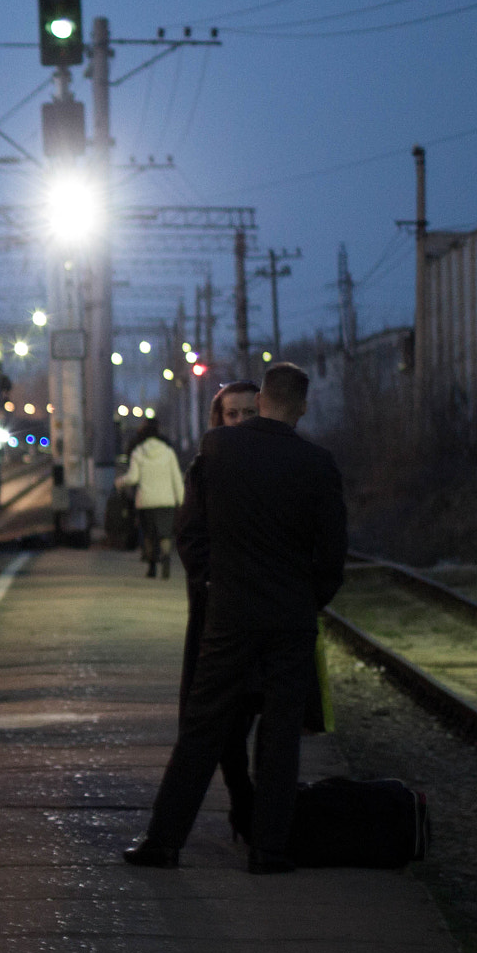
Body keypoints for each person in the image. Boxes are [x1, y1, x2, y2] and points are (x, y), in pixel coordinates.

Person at [124, 362, 346, 874]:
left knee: (202, 729)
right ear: (304, 407)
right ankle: (270, 849)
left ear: (263, 400)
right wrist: (306, 601)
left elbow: (193, 529)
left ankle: (164, 842)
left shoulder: (218, 450)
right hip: (291, 620)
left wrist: (215, 586)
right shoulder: (318, 463)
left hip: (229, 616)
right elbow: (332, 557)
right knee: (280, 734)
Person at [178, 380, 260, 841]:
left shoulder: (280, 463)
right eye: (233, 414)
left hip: (266, 613)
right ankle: (242, 797)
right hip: (219, 613)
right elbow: (190, 537)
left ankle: (256, 810)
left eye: (250, 413)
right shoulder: (205, 469)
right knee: (220, 719)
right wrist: (211, 583)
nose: (242, 422)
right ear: (219, 419)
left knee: (254, 711)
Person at [118, 418, 185, 578]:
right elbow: (176, 478)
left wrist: (120, 482)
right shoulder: (168, 452)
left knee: (149, 534)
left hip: (145, 501)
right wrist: (181, 501)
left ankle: (152, 566)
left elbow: (133, 478)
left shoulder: (138, 452)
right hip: (166, 501)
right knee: (165, 534)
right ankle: (166, 557)